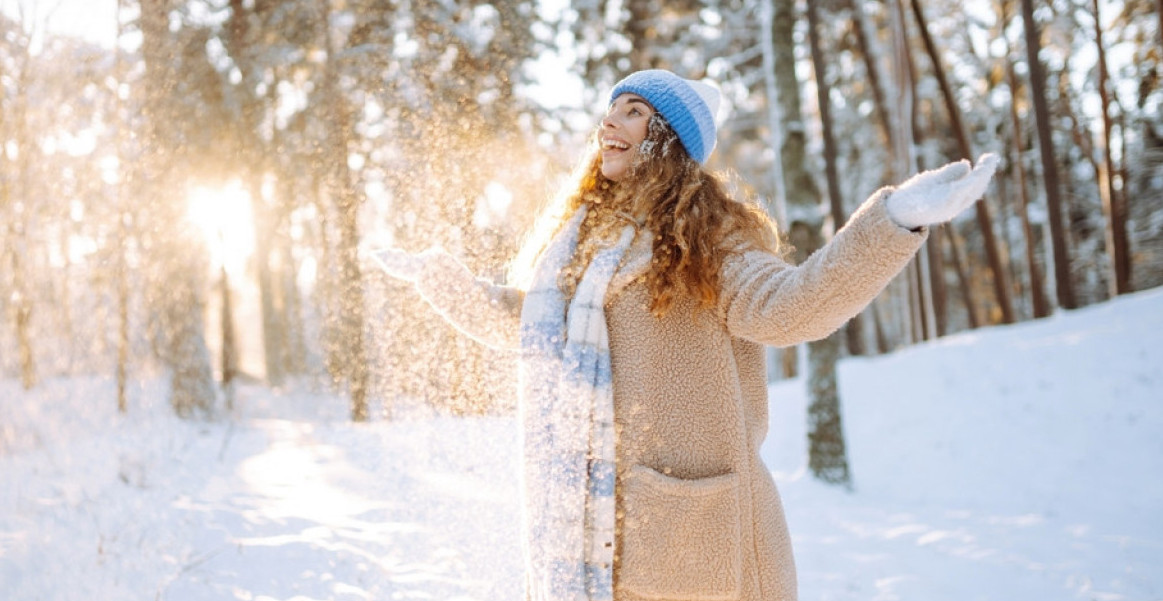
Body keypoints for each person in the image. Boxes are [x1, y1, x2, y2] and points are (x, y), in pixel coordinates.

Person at [367, 69, 999, 601]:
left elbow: (791, 307)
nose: (608, 124)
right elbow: (531, 325)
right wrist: (441, 282)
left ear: (665, 137)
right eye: (609, 111)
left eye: (632, 111)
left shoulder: (711, 239)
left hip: (697, 540)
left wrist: (893, 221)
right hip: (595, 537)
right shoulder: (585, 245)